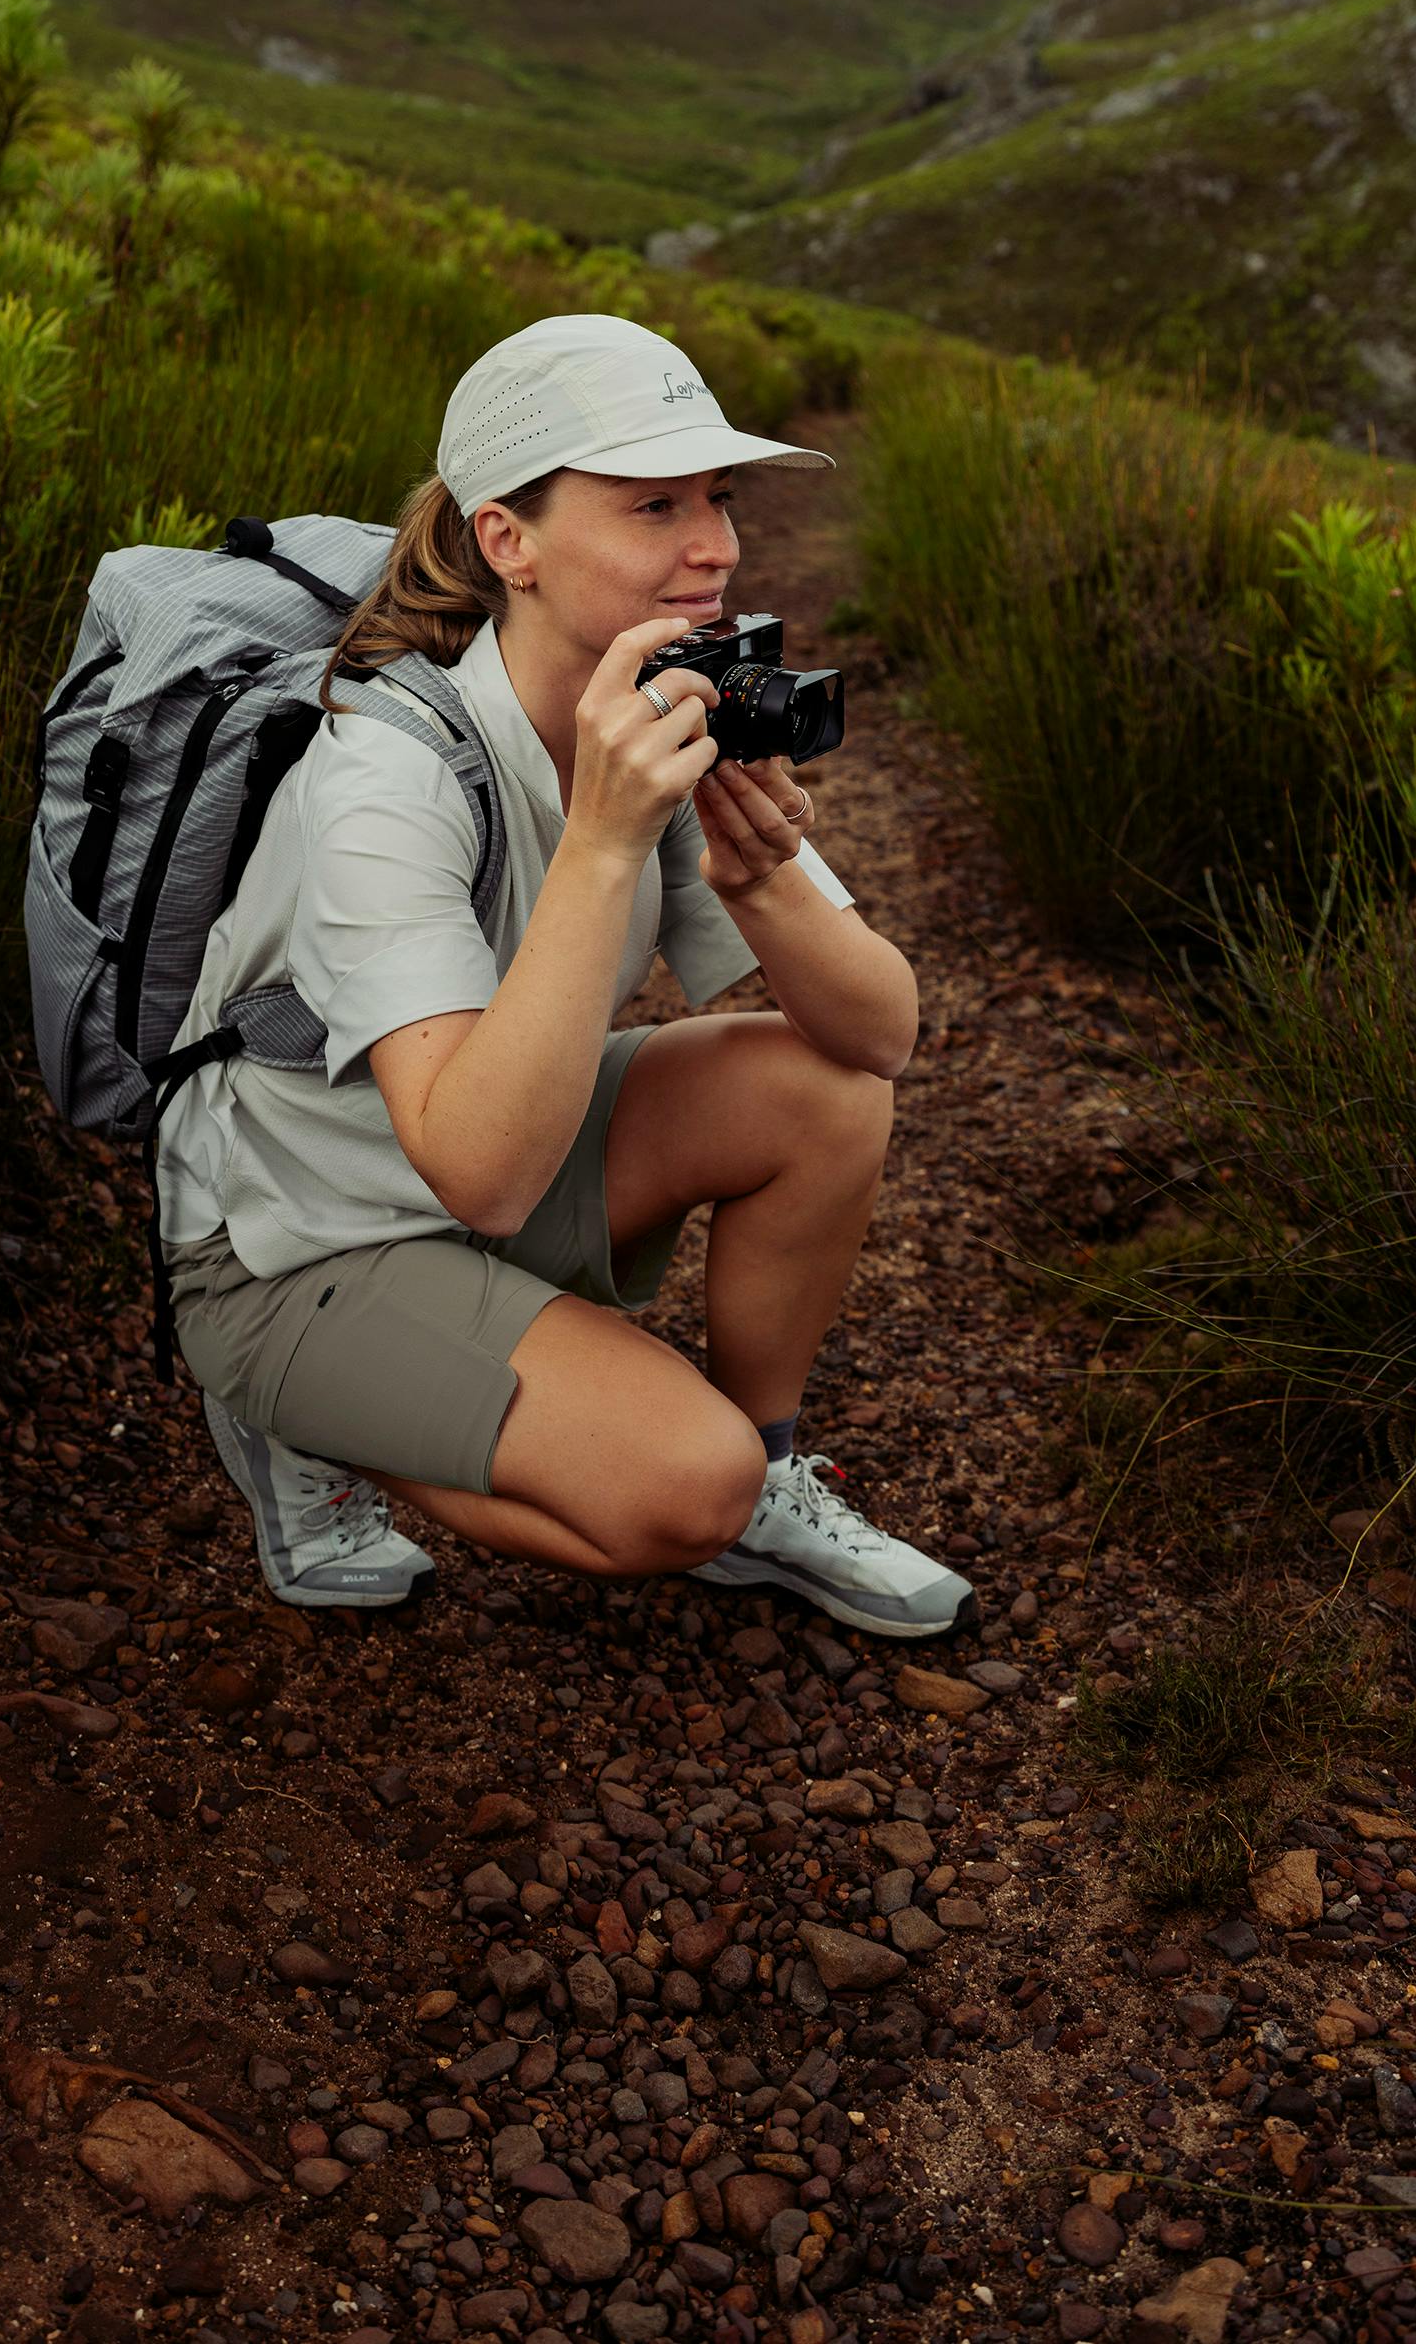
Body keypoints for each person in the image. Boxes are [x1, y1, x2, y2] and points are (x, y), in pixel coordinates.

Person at [156, 313, 971, 1640]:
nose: (717, 545)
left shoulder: (658, 706)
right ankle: (297, 1414)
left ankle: (771, 1472)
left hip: (485, 1157)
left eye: (718, 498)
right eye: (655, 505)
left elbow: (882, 1034)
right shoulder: (384, 776)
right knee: (681, 1488)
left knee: (825, 1092)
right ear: (507, 542)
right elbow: (480, 1175)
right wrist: (600, 844)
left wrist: (762, 884)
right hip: (298, 1242)